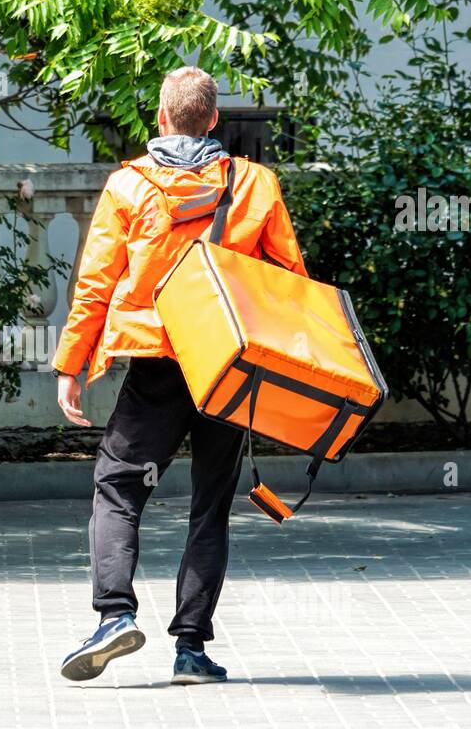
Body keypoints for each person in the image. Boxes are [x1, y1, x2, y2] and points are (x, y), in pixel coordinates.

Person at [52, 66, 308, 685]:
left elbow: (95, 285)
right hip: (228, 367)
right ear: (215, 120)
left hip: (160, 363)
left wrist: (72, 365)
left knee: (117, 488)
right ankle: (190, 649)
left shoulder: (129, 186)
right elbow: (290, 283)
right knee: (210, 506)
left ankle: (115, 614)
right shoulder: (255, 184)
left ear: (160, 120)